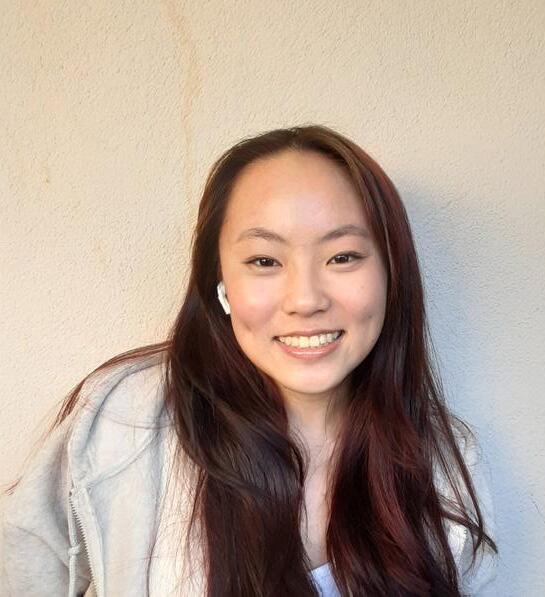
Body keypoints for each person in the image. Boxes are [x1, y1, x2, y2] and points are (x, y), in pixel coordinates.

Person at [1, 124, 498, 596]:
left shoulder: (442, 462)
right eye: (264, 261)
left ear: (391, 272)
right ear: (220, 281)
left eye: (343, 257)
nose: (305, 300)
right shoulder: (124, 422)